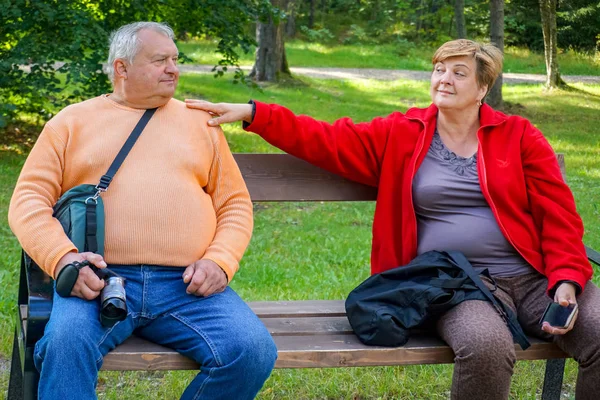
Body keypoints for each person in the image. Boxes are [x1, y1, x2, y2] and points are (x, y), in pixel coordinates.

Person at [185, 39, 600, 399]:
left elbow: (559, 214)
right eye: (439, 70)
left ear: (483, 87)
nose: (444, 79)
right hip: (454, 284)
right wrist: (255, 113)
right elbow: (326, 139)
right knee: (485, 345)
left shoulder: (519, 135)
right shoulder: (403, 133)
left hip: (532, 276)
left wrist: (565, 278)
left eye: (459, 72)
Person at [8, 21, 277, 400]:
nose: (173, 69)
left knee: (251, 351)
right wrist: (65, 259)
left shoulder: (201, 123)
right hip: (98, 281)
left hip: (186, 286)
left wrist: (219, 260)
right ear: (122, 68)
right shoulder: (71, 122)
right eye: (160, 60)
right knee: (65, 346)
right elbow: (28, 200)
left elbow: (234, 204)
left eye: (175, 60)